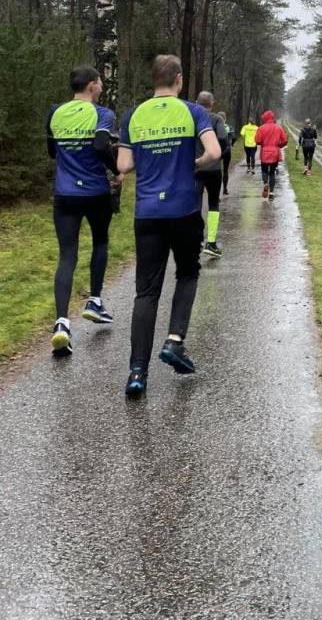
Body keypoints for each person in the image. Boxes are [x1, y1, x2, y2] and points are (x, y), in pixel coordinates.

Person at [118, 54, 221, 398]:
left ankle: (137, 373)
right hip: (183, 209)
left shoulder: (134, 115)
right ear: (178, 78)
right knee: (188, 273)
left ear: (154, 80)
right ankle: (175, 341)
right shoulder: (194, 111)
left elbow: (124, 164)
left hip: (147, 213)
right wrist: (192, 163)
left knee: (146, 292)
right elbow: (215, 152)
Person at [46, 65, 120, 357]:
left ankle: (62, 323)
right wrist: (116, 170)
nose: (101, 87)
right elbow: (102, 145)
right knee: (100, 241)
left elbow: (52, 150)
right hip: (94, 191)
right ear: (91, 85)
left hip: (64, 193)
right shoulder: (102, 114)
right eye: (100, 82)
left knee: (67, 254)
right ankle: (94, 301)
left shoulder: (55, 112)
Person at [195, 91, 228, 258]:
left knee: (195, 204)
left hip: (195, 167)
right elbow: (223, 138)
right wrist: (219, 152)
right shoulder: (216, 119)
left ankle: (196, 240)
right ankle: (211, 243)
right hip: (214, 168)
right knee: (214, 204)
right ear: (212, 104)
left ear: (196, 102)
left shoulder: (191, 117)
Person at [254, 110, 288, 199]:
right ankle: (272, 193)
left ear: (265, 118)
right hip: (275, 153)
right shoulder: (278, 127)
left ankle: (265, 183)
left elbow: (257, 141)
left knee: (264, 170)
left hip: (265, 152)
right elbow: (285, 140)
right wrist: (279, 146)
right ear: (272, 118)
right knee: (272, 172)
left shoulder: (261, 128)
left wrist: (263, 144)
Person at [217, 111, 236, 195]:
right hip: (227, 150)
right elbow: (234, 137)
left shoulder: (215, 126)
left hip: (217, 150)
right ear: (225, 119)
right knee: (225, 170)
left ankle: (216, 193)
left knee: (217, 170)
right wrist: (232, 144)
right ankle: (225, 189)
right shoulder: (229, 127)